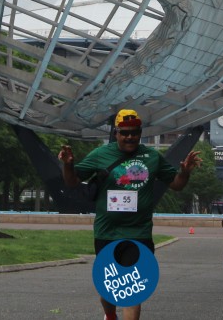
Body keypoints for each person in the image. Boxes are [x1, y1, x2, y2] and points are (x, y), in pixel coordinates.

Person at [59, 109, 201, 320]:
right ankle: (110, 315)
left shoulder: (152, 157)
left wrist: (185, 173)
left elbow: (176, 184)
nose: (129, 137)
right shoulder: (100, 155)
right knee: (109, 289)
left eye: (134, 132)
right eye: (124, 133)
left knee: (132, 291)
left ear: (140, 133)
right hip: (106, 233)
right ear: (116, 133)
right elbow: (72, 182)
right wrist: (68, 165)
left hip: (139, 234)